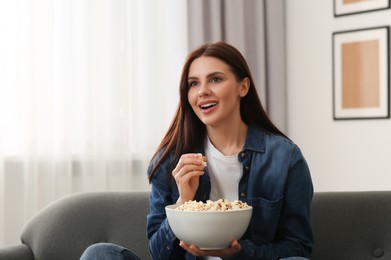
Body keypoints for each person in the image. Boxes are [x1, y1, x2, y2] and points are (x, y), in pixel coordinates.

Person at [80, 41, 313, 260]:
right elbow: (159, 254)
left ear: (243, 86)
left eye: (215, 79)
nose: (202, 91)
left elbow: (298, 246)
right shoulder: (170, 158)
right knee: (99, 254)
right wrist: (182, 203)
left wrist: (240, 253)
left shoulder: (285, 159)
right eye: (193, 83)